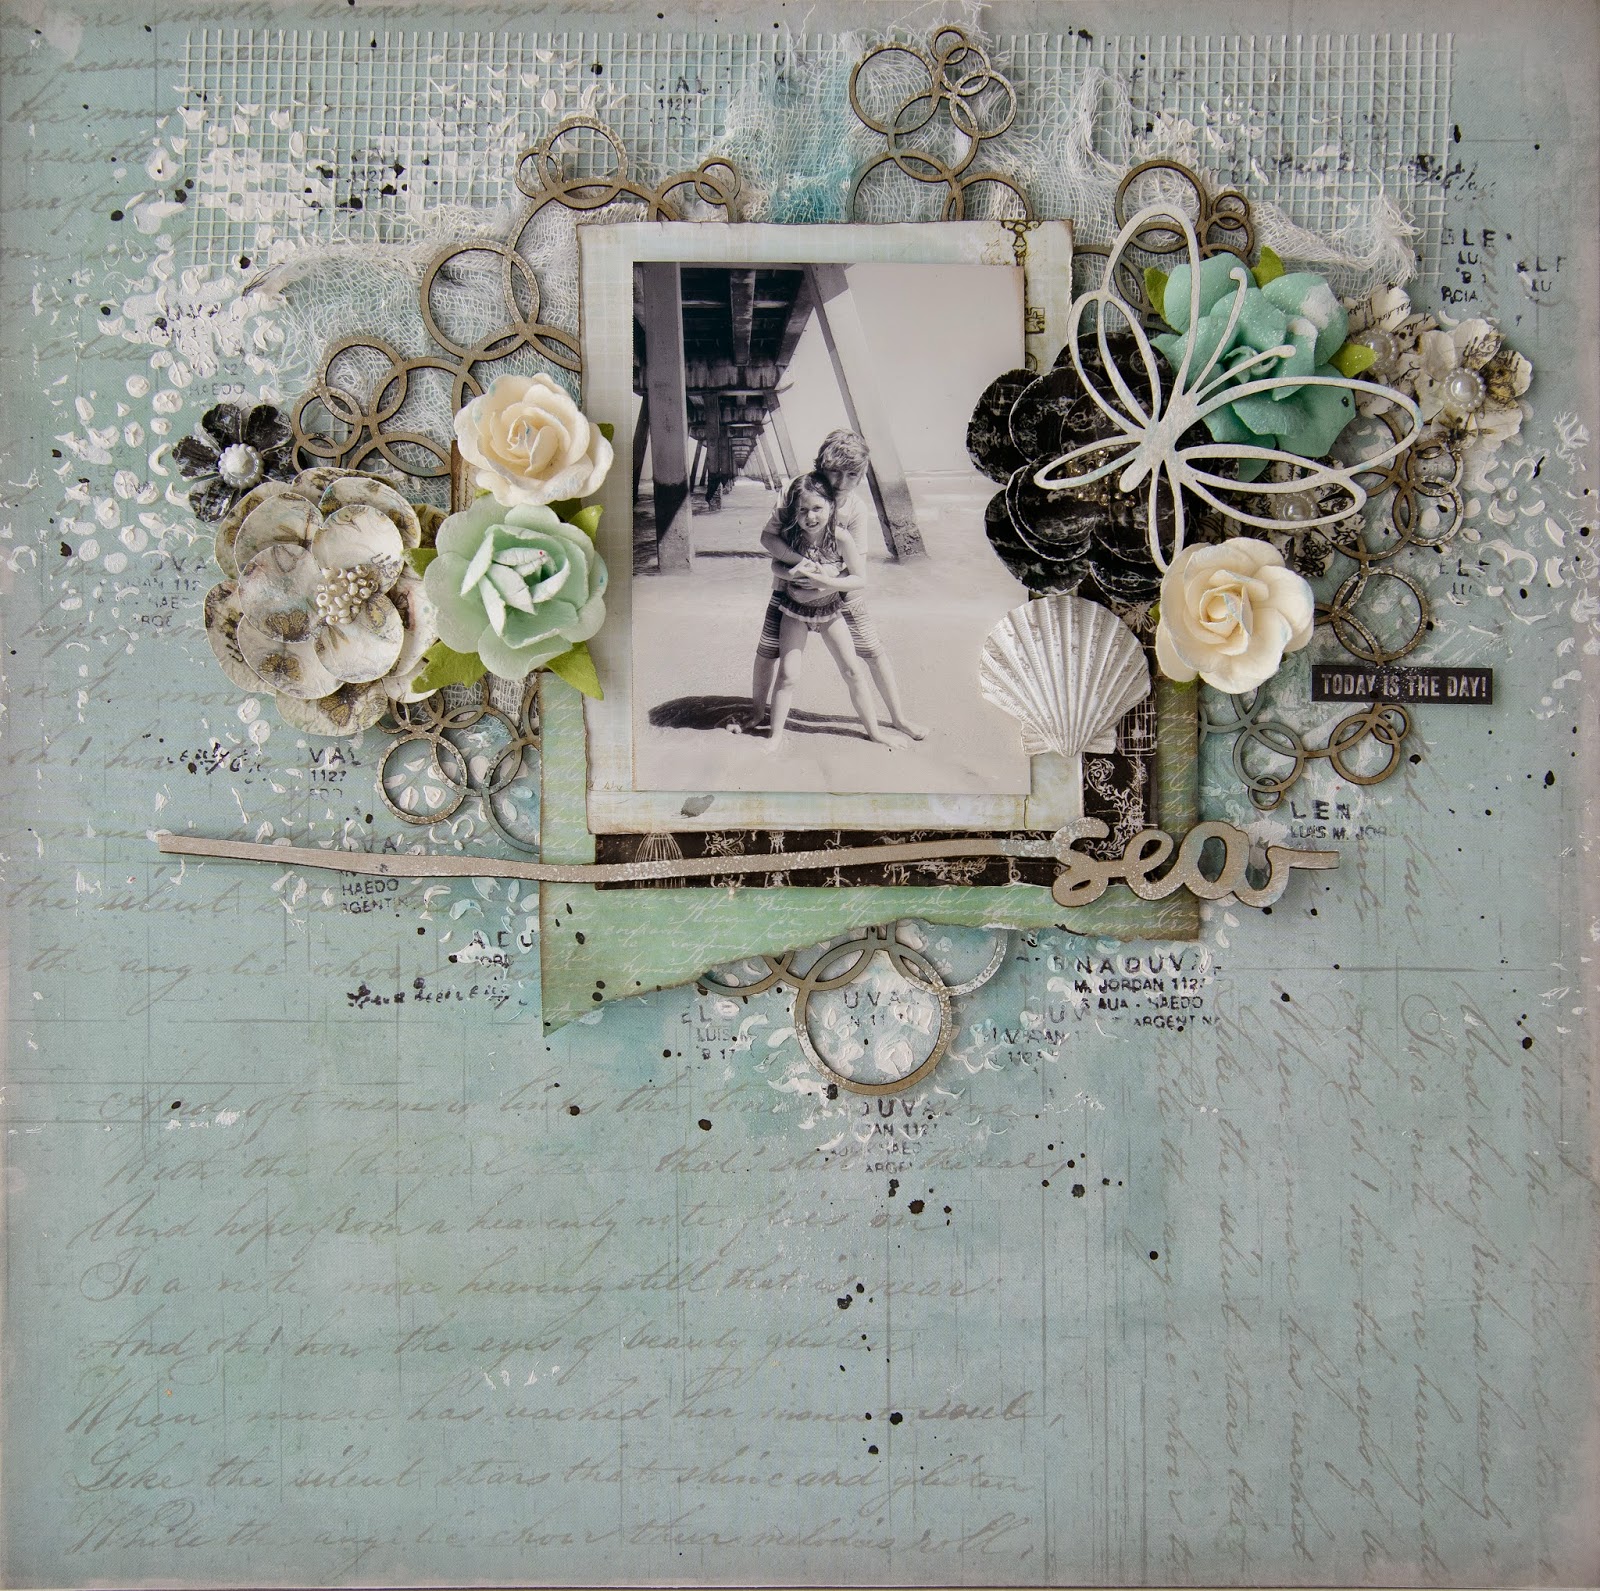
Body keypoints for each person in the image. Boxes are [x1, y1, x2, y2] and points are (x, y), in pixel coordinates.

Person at [747, 430, 928, 739]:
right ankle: (756, 712)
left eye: (852, 474)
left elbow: (857, 568)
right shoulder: (797, 491)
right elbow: (769, 537)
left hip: (841, 592)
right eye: (834, 472)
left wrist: (825, 585)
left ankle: (898, 718)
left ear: (863, 473)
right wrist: (799, 565)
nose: (842, 482)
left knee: (872, 651)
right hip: (789, 590)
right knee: (768, 652)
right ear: (821, 466)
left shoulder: (855, 508)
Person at [761, 472, 894, 757]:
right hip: (794, 611)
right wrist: (789, 572)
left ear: (831, 506)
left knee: (852, 671)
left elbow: (859, 578)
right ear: (794, 512)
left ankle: (875, 731)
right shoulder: (790, 536)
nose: (810, 517)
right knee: (788, 675)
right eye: (802, 510)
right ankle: (775, 735)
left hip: (831, 612)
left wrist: (826, 582)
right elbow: (775, 565)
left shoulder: (840, 538)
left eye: (817, 508)